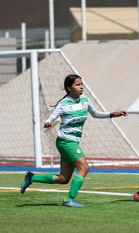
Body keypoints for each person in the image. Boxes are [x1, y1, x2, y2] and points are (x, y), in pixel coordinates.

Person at [20, 74, 127, 207]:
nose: (81, 87)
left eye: (82, 84)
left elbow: (95, 114)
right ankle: (69, 199)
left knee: (63, 179)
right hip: (65, 141)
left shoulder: (85, 100)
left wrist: (112, 114)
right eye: (77, 84)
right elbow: (52, 117)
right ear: (69, 88)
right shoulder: (64, 104)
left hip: (72, 142)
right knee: (84, 167)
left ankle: (31, 177)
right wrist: (48, 122)